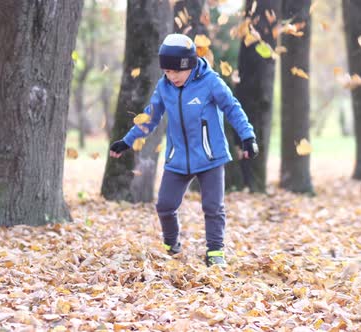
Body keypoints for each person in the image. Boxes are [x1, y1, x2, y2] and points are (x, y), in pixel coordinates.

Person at [109, 33, 258, 267]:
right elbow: (150, 117)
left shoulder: (211, 82)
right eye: (166, 72)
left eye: (176, 71)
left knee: (212, 206)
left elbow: (232, 108)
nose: (171, 76)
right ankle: (171, 245)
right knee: (165, 206)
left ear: (188, 65)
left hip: (210, 156)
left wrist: (247, 136)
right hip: (178, 157)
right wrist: (127, 141)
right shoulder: (164, 86)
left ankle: (215, 252)